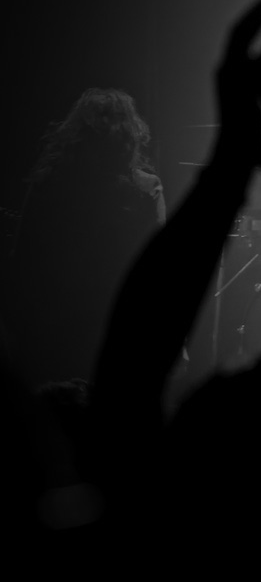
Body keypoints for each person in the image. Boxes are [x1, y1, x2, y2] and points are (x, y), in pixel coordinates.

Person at [7, 88, 165, 387]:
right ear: (128, 138)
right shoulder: (140, 194)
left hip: (49, 329)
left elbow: (22, 258)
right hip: (112, 331)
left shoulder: (48, 184)